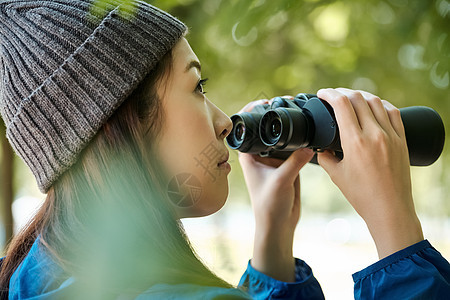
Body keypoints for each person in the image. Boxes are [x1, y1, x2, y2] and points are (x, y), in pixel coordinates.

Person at [0, 0, 448, 299]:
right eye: (198, 86)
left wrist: (272, 237)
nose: (225, 122)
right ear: (124, 122)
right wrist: (397, 234)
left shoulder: (27, 276)